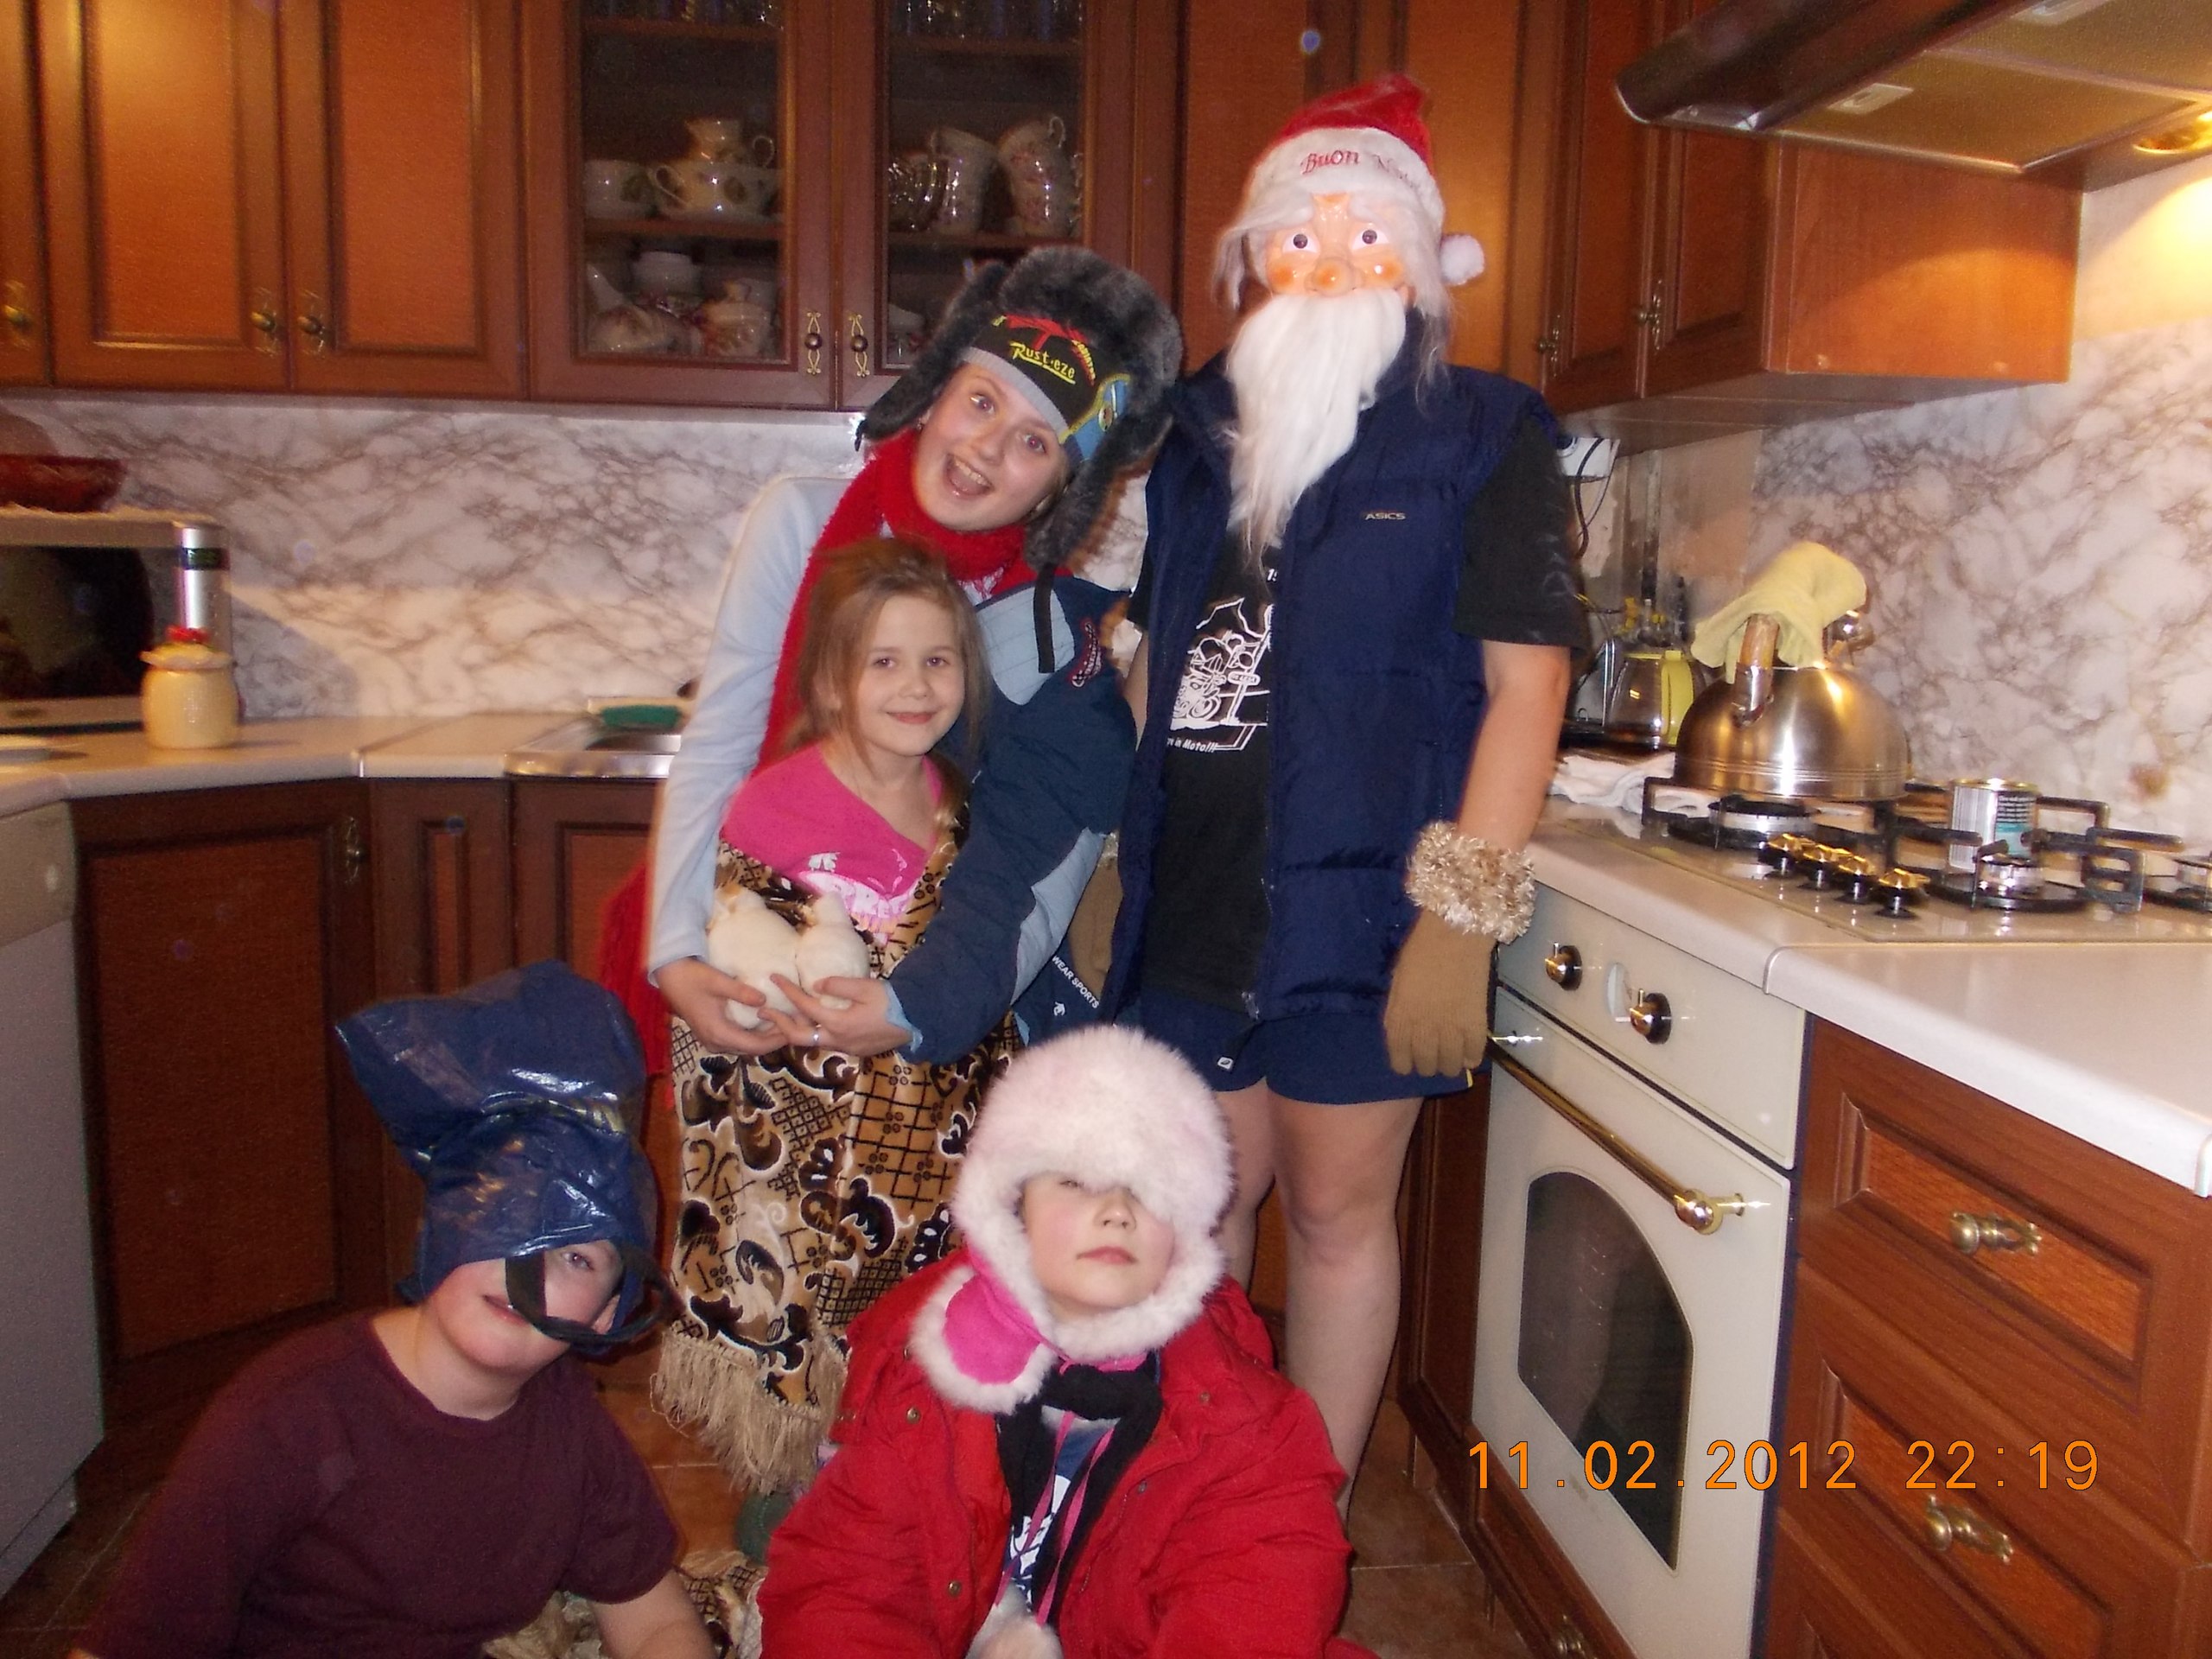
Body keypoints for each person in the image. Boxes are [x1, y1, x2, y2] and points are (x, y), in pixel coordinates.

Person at [1105, 73, 1583, 1493]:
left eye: (1365, 234)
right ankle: (1187, 1509)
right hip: (1195, 906)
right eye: (1298, 237)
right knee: (1191, 1221)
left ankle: (1294, 1529)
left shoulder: (1488, 432)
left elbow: (1529, 691)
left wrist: (1458, 919)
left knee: (1331, 1220)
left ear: (1424, 264)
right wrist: (1120, 861)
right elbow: (1169, 655)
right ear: (1256, 257)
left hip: (1367, 916)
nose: (1328, 263)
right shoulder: (1196, 433)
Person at [646, 248, 1182, 1499]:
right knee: (767, 1262)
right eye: (982, 400)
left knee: (900, 1297)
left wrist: (918, 1007)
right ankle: (793, 1536)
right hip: (750, 953)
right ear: (936, 389)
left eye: (1036, 441)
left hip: (919, 1016)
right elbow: (723, 735)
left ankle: (900, 1528)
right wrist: (676, 951)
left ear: (1067, 482)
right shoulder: (801, 519)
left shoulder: (1047, 634)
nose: (989, 447)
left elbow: (1031, 861)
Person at [73, 963, 709, 1659]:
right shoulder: (288, 1417)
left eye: (576, 1258)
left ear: (608, 1314)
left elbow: (658, 1624)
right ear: (437, 1231)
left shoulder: (569, 1431)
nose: (523, 1271)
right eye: (502, 1218)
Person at [756, 1025, 1376, 1659]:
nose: (1117, 1211)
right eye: (1078, 1179)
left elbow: (1255, 1605)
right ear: (1010, 1206)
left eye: (1148, 1188)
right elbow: (848, 1586)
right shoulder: (922, 1367)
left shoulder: (1246, 1426)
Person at [659, 535, 1020, 1497]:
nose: (916, 686)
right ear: (830, 682)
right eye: (883, 662)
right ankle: (792, 1494)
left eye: (938, 660)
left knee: (914, 1342)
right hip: (794, 1158)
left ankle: (898, 1478)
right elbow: (733, 956)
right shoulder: (770, 808)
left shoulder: (964, 809)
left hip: (925, 1160)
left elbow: (974, 970)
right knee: (809, 1334)